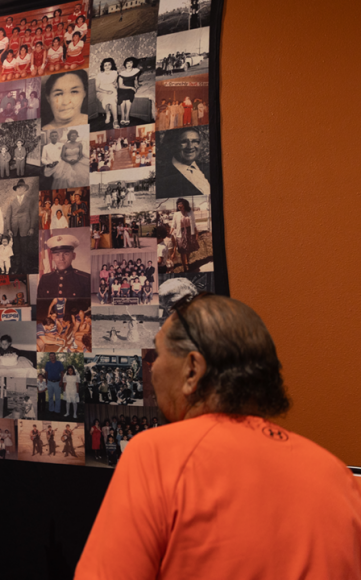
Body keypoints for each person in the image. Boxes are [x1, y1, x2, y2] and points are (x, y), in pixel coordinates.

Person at [76, 294, 361, 578]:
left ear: (192, 370)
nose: (152, 368)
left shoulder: (155, 455)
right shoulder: (336, 475)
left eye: (158, 354)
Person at [158, 127, 211, 197]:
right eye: (184, 141)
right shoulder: (162, 178)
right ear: (173, 145)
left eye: (195, 141)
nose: (190, 146)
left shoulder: (208, 168)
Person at [38, 233, 90, 298]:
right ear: (52, 257)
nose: (61, 258)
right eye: (57, 254)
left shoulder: (85, 279)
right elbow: (41, 306)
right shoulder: (45, 279)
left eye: (66, 254)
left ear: (73, 256)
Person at [5, 179, 37, 274]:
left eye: (21, 187)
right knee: (16, 249)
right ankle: (17, 267)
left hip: (25, 228)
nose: (20, 189)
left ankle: (24, 267)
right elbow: (8, 216)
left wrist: (31, 228)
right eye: (18, 188)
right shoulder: (11, 201)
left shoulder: (29, 200)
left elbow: (33, 214)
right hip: (14, 229)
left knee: (24, 249)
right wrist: (8, 229)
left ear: (25, 189)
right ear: (16, 190)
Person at [170, 198, 199, 272]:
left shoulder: (190, 212)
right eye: (178, 204)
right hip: (180, 233)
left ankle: (187, 261)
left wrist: (196, 233)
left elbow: (194, 223)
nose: (179, 205)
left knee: (189, 249)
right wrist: (170, 233)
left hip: (190, 232)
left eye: (180, 204)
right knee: (182, 251)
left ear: (185, 205)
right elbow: (173, 225)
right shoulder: (176, 214)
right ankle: (184, 267)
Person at [117, 57, 141, 127]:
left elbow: (135, 80)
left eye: (131, 63)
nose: (129, 64)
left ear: (133, 64)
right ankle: (122, 116)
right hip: (123, 88)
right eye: (127, 63)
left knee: (128, 97)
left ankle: (127, 116)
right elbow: (120, 86)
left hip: (131, 88)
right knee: (122, 97)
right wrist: (131, 87)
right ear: (125, 64)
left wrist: (137, 86)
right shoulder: (122, 73)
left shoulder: (136, 71)